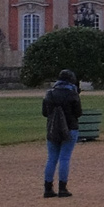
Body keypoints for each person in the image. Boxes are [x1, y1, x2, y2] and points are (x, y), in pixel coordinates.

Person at [42, 69, 81, 198]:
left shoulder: (49, 94)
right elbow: (78, 113)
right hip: (70, 128)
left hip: (53, 129)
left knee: (51, 158)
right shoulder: (72, 94)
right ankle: (62, 188)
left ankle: (48, 188)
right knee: (64, 158)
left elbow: (44, 113)